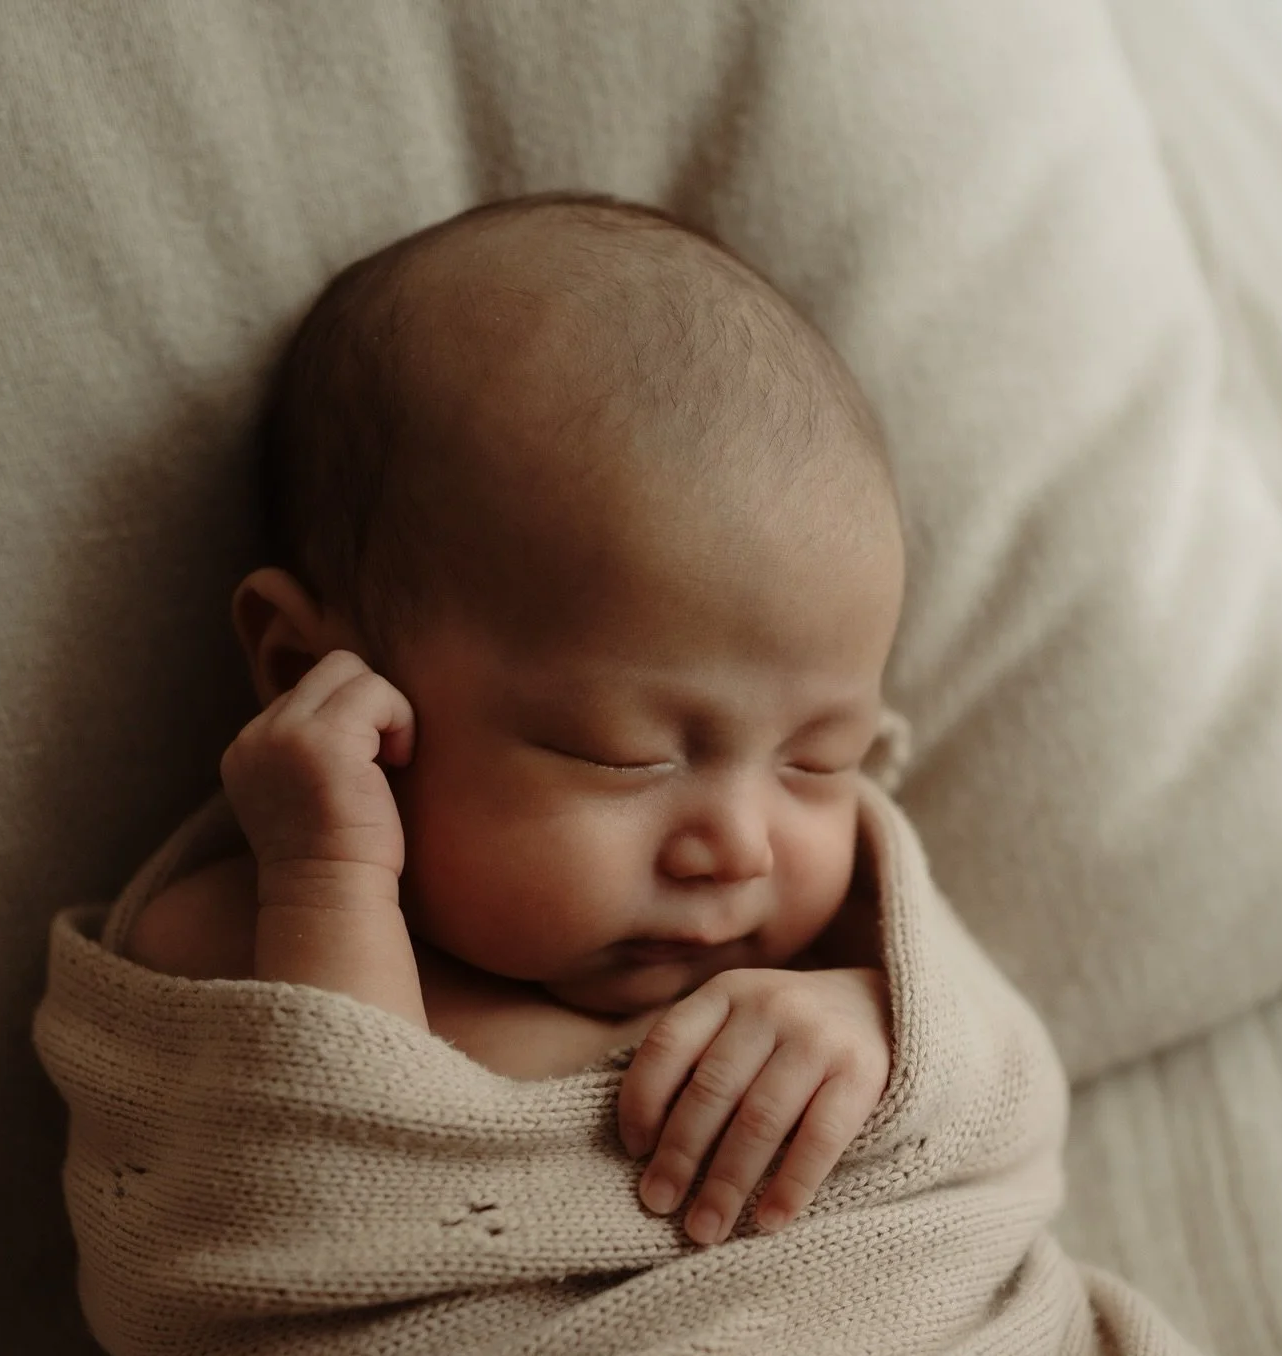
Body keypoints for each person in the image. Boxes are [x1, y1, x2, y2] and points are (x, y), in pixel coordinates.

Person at [126, 189, 906, 1249]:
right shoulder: (231, 936)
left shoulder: (845, 931)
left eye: (818, 760)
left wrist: (878, 1021)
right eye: (623, 755)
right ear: (314, 672)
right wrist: (330, 884)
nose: (737, 845)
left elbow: (996, 1088)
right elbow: (331, 1210)